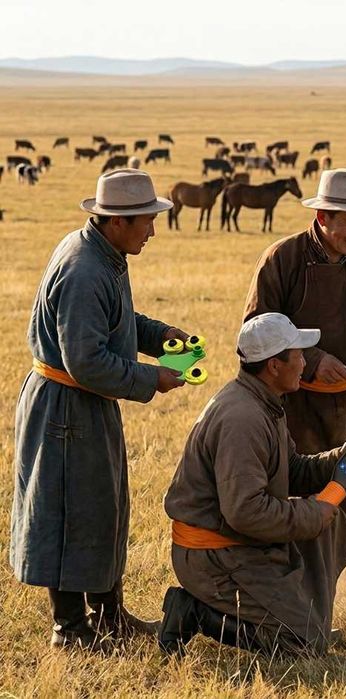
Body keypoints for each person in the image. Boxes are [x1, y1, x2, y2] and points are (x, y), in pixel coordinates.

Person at [10, 169, 190, 651]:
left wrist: (158, 337)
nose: (153, 230)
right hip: (67, 408)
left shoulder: (101, 254)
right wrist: (153, 377)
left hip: (86, 405)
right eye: (146, 221)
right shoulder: (85, 269)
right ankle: (69, 630)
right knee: (72, 513)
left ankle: (108, 616)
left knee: (102, 508)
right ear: (116, 222)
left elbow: (115, 320)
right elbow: (86, 361)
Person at [243, 168, 346, 620]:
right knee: (305, 495)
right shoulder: (282, 259)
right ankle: (300, 598)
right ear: (322, 217)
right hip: (295, 402)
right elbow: (256, 330)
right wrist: (313, 360)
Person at [159, 313, 346, 656]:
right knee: (305, 645)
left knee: (330, 523)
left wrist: (342, 457)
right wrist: (313, 512)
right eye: (297, 355)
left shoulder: (263, 401)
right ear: (273, 366)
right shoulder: (244, 418)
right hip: (215, 556)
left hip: (237, 544)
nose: (303, 362)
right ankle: (194, 612)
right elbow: (246, 512)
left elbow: (292, 470)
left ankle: (298, 617)